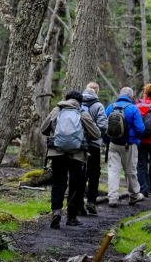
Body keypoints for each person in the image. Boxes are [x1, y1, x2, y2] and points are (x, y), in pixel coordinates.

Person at [39, 90, 100, 229]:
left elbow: (43, 129)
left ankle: (56, 212)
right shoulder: (82, 113)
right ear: (80, 102)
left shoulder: (57, 110)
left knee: (58, 182)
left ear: (66, 99)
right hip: (77, 155)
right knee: (75, 185)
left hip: (56, 153)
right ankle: (71, 217)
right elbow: (96, 134)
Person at [104, 86, 145, 207]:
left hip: (113, 144)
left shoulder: (110, 107)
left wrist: (107, 141)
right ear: (131, 96)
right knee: (130, 171)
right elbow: (141, 129)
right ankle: (134, 196)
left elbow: (105, 126)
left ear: (120, 94)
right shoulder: (133, 108)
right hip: (129, 145)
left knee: (113, 171)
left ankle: (112, 197)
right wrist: (136, 139)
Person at [80, 82, 108, 215]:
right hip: (94, 145)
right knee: (94, 174)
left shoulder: (77, 103)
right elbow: (103, 126)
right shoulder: (98, 106)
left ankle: (78, 202)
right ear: (97, 91)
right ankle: (91, 201)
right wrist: (96, 135)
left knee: (79, 174)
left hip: (78, 145)